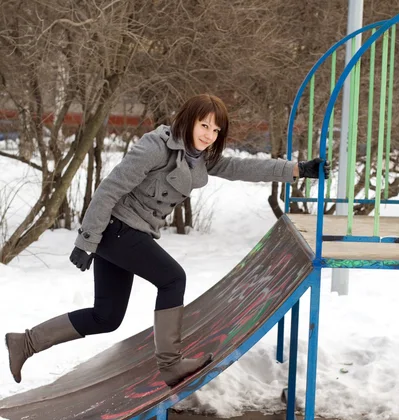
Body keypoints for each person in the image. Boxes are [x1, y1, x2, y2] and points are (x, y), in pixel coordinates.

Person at [5, 94, 329, 387]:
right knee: (173, 279)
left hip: (128, 233)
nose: (208, 135)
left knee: (106, 317)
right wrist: (87, 240)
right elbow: (110, 189)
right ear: (188, 120)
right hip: (116, 229)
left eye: (215, 131)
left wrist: (297, 169)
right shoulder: (155, 147)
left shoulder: (198, 155)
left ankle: (26, 342)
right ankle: (171, 365)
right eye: (204, 126)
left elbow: (240, 166)